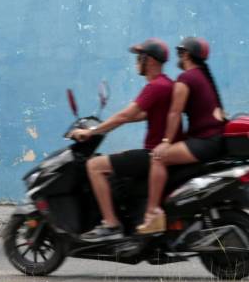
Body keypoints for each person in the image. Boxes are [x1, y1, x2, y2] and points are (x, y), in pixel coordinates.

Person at [70, 38, 179, 242]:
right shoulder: (167, 84)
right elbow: (140, 115)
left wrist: (92, 132)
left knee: (94, 165)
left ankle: (111, 225)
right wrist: (110, 125)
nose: (137, 62)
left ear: (150, 61)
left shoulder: (155, 87)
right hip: (164, 153)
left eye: (140, 57)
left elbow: (125, 115)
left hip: (153, 154)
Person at [137, 37, 225, 234]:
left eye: (180, 53)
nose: (178, 57)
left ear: (186, 55)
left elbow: (175, 113)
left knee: (158, 158)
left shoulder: (186, 78)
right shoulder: (202, 77)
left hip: (204, 142)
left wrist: (166, 142)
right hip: (214, 141)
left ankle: (152, 214)